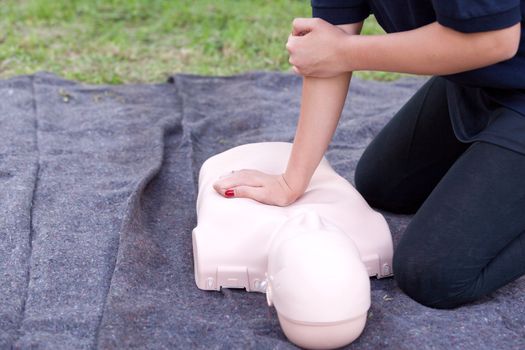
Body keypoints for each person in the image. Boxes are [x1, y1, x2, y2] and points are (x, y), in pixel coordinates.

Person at [213, 1, 525, 309]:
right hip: (481, 82)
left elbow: (494, 39)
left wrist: (344, 51)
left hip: (502, 65)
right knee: (385, 185)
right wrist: (291, 180)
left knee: (433, 274)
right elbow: (327, 46)